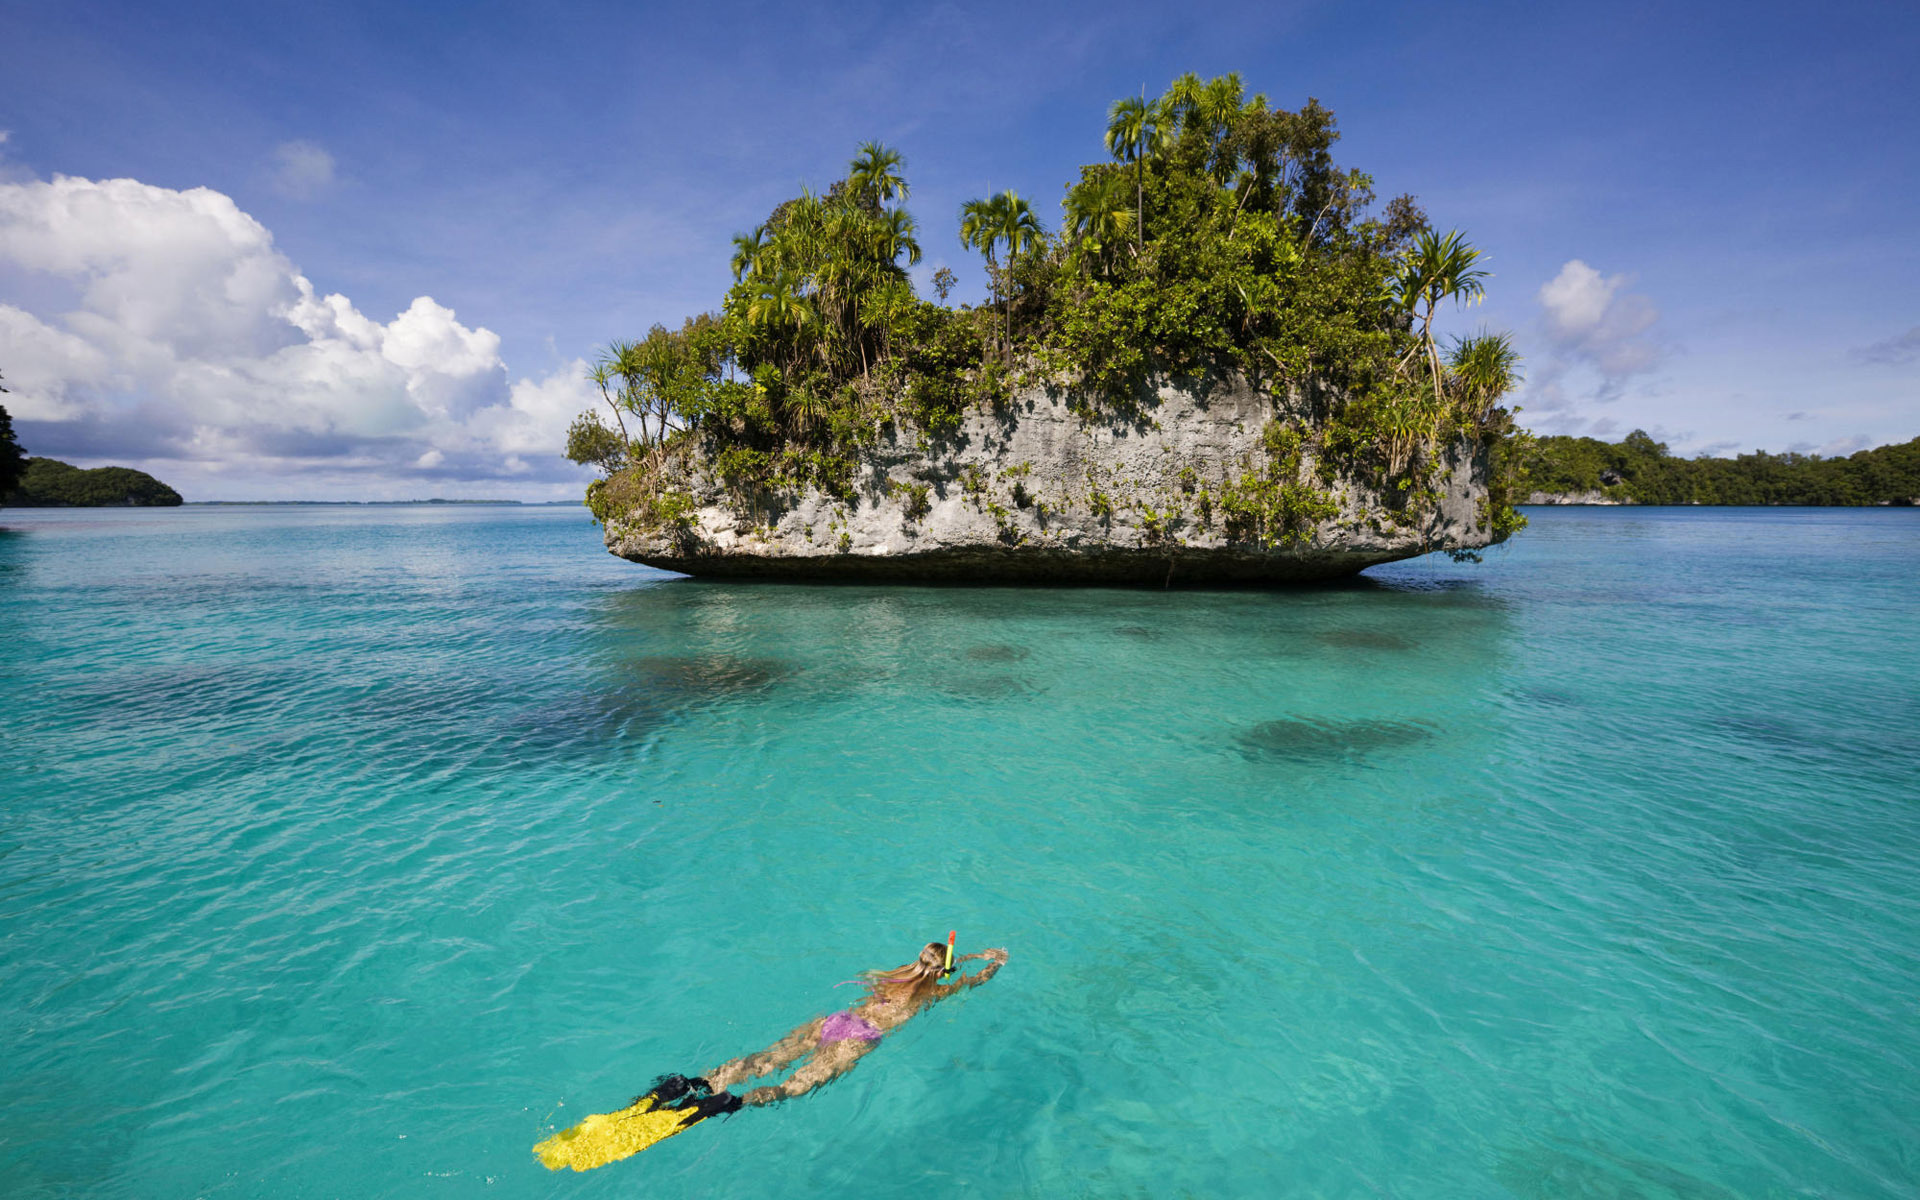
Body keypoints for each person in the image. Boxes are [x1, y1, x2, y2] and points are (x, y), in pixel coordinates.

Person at [703, 939, 1008, 1106]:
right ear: (943, 973)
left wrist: (971, 954)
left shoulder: (899, 973)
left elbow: (934, 964)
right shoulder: (933, 995)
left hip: (840, 1020)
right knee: (793, 1086)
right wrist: (994, 962)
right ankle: (737, 1102)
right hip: (860, 1037)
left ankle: (704, 1082)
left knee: (766, 1059)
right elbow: (974, 981)